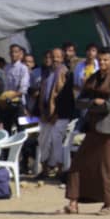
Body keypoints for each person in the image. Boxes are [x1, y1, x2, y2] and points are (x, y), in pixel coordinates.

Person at [58, 48, 110, 216]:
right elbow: (79, 102)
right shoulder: (93, 78)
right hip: (92, 127)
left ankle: (107, 205)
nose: (102, 63)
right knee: (78, 164)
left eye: (106, 60)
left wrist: (95, 103)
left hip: (107, 129)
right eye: (100, 60)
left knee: (106, 167)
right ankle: (73, 203)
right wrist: (94, 101)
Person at [37, 47, 76, 180]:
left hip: (60, 115)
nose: (55, 59)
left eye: (58, 57)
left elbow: (65, 97)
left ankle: (60, 170)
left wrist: (57, 114)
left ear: (62, 58)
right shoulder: (47, 73)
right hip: (46, 114)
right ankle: (45, 169)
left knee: (56, 141)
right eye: (53, 56)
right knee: (43, 141)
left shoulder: (65, 73)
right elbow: (43, 95)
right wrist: (42, 112)